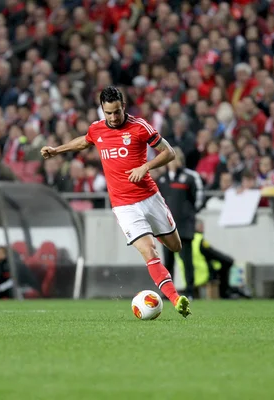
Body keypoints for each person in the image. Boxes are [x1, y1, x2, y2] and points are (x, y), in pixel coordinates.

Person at [41, 86, 191, 317]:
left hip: (149, 197)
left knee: (175, 246)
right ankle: (175, 298)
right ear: (102, 109)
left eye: (117, 112)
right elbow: (84, 141)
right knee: (149, 251)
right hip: (123, 205)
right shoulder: (97, 129)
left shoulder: (140, 127)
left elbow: (169, 152)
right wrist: (56, 150)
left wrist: (146, 166)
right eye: (108, 113)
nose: (113, 117)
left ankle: (158, 238)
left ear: (124, 106)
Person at [156, 147, 203, 298]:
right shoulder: (162, 179)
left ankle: (190, 291)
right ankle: (168, 293)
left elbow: (199, 198)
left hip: (184, 226)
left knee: (186, 261)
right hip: (166, 228)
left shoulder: (190, 177)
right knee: (168, 262)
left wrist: (189, 215)